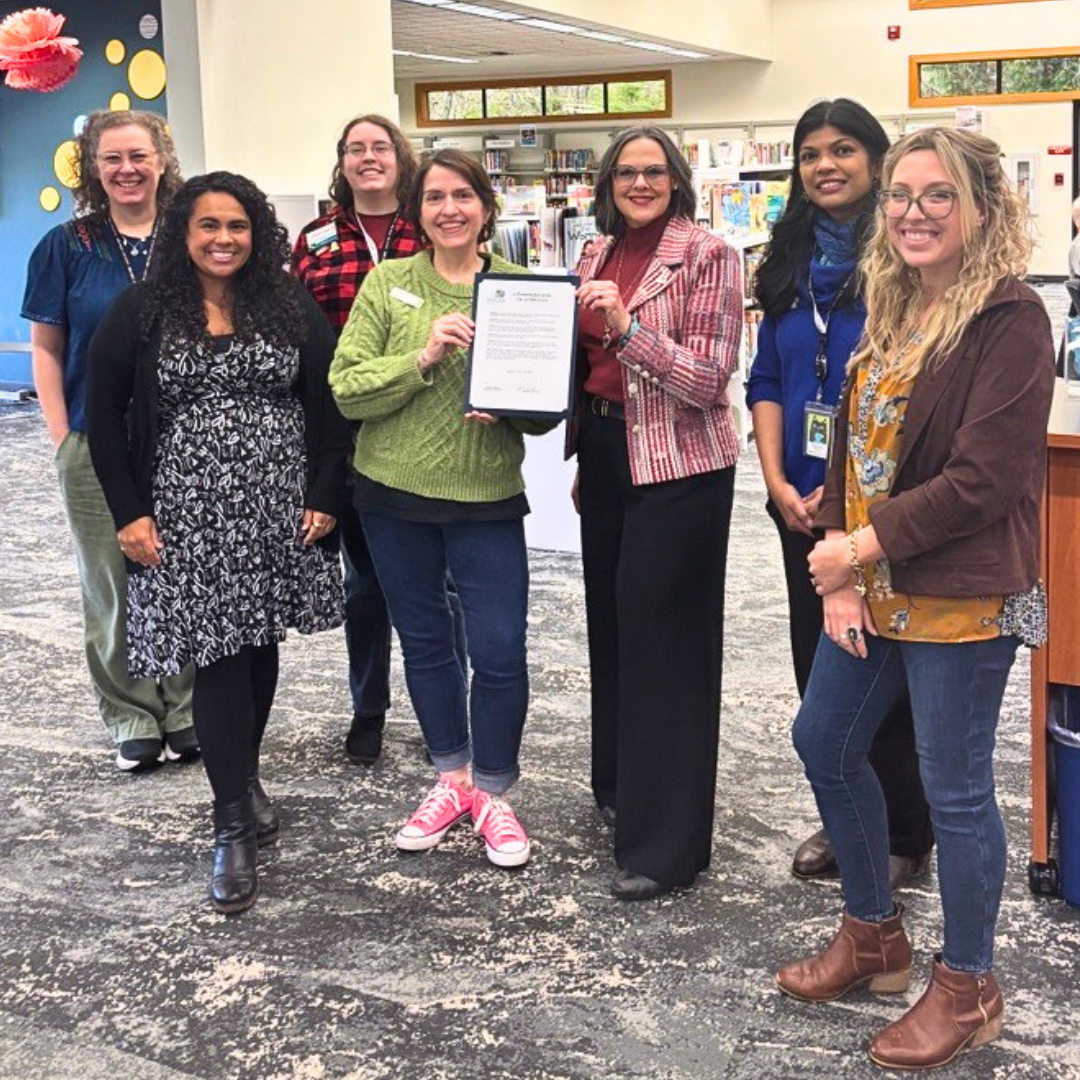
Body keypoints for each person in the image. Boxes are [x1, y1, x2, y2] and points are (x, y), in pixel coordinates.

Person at [775, 127, 1054, 1070]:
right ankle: (873, 936)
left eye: (938, 196)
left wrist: (856, 546)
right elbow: (856, 446)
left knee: (955, 786)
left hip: (962, 595)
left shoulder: (1010, 319)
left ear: (982, 208)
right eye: (901, 195)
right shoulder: (893, 303)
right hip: (877, 582)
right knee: (826, 739)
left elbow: (984, 478)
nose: (913, 212)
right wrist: (843, 568)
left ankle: (969, 984)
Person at [86, 172, 350, 914]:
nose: (223, 239)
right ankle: (230, 819)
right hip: (186, 514)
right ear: (184, 234)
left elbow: (328, 401)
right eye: (208, 227)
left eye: (236, 226)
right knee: (222, 655)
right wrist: (130, 513)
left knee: (258, 645)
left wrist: (326, 493)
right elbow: (104, 418)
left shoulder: (285, 303)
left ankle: (244, 777)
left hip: (275, 511)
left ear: (256, 232)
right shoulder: (141, 311)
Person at [330, 149, 554, 869]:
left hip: (486, 498)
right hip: (392, 496)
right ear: (416, 211)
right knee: (425, 644)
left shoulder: (523, 290)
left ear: (486, 207)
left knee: (498, 651)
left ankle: (493, 790)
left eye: (463, 195)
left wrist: (513, 406)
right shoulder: (388, 282)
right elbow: (347, 387)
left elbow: (547, 414)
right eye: (434, 198)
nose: (449, 209)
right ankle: (450, 779)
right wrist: (422, 358)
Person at [746, 99, 933, 888]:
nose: (826, 165)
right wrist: (777, 478)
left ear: (877, 161)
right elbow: (767, 378)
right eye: (811, 152)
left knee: (881, 673)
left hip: (879, 511)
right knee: (818, 668)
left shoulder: (908, 260)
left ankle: (905, 833)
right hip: (800, 506)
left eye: (844, 150)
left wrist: (847, 497)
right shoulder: (787, 263)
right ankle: (844, 816)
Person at [570, 126, 742, 901]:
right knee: (611, 630)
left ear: (678, 178)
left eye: (654, 172)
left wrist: (629, 328)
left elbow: (707, 380)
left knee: (666, 646)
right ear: (606, 184)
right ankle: (620, 793)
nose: (640, 184)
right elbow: (583, 367)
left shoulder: (710, 256)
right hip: (608, 460)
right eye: (626, 173)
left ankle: (668, 847)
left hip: (680, 470)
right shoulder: (593, 254)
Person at [21, 109, 196, 772]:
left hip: (184, 438)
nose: (127, 169)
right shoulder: (67, 246)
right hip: (95, 437)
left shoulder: (189, 237)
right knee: (111, 580)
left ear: (160, 161)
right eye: (112, 158)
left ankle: (183, 706)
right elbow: (47, 348)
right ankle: (130, 712)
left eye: (138, 156)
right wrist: (64, 435)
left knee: (178, 571)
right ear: (93, 167)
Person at [293, 114, 467, 768]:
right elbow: (299, 339)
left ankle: (446, 711)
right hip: (346, 432)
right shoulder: (314, 240)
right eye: (356, 149)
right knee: (364, 586)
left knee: (441, 586)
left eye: (381, 147)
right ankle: (369, 708)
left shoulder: (430, 231)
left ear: (401, 158)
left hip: (430, 425)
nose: (369, 158)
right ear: (342, 162)